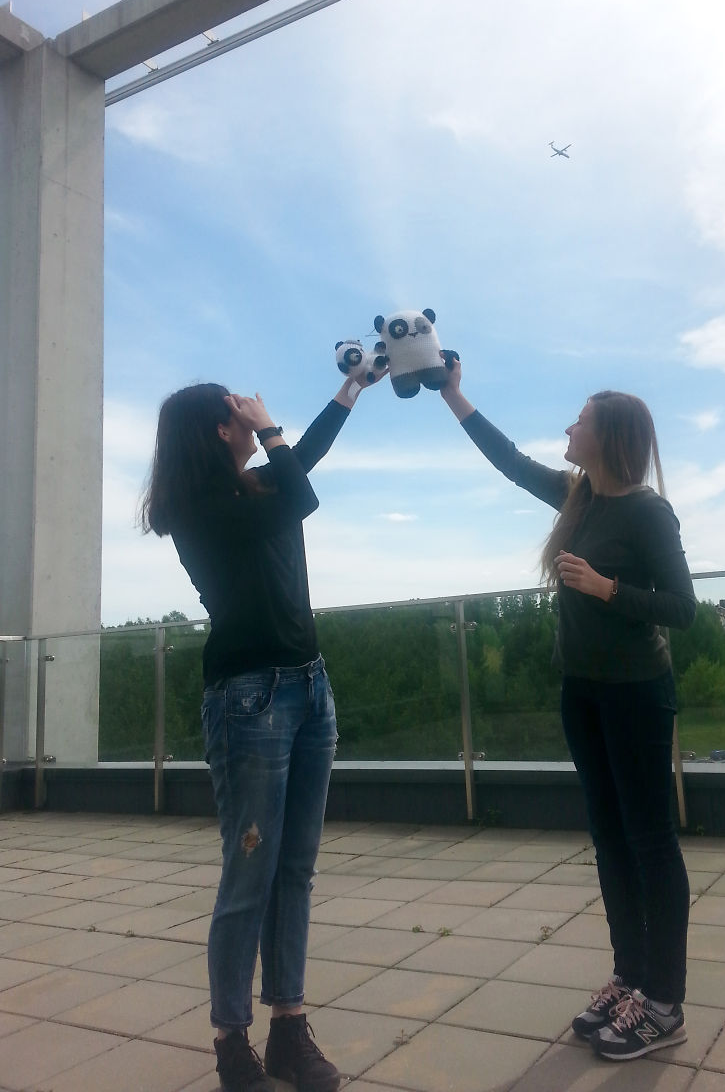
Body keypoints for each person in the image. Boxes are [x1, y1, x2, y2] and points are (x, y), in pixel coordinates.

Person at [439, 355, 696, 1062]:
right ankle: (630, 977)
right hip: (581, 691)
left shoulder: (646, 512)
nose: (567, 427)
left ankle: (665, 1002)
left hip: (637, 695)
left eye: (578, 420)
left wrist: (607, 589)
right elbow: (509, 463)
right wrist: (454, 395)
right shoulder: (577, 497)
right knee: (609, 837)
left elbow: (684, 609)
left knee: (649, 842)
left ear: (606, 437)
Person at [142, 371, 382, 1092]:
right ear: (220, 428)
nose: (251, 417)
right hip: (250, 699)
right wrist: (270, 425)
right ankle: (230, 1040)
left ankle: (288, 1029)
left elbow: (299, 462)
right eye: (238, 413)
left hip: (310, 687)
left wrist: (349, 392)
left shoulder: (254, 488)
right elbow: (301, 488)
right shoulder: (197, 504)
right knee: (249, 874)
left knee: (295, 872)